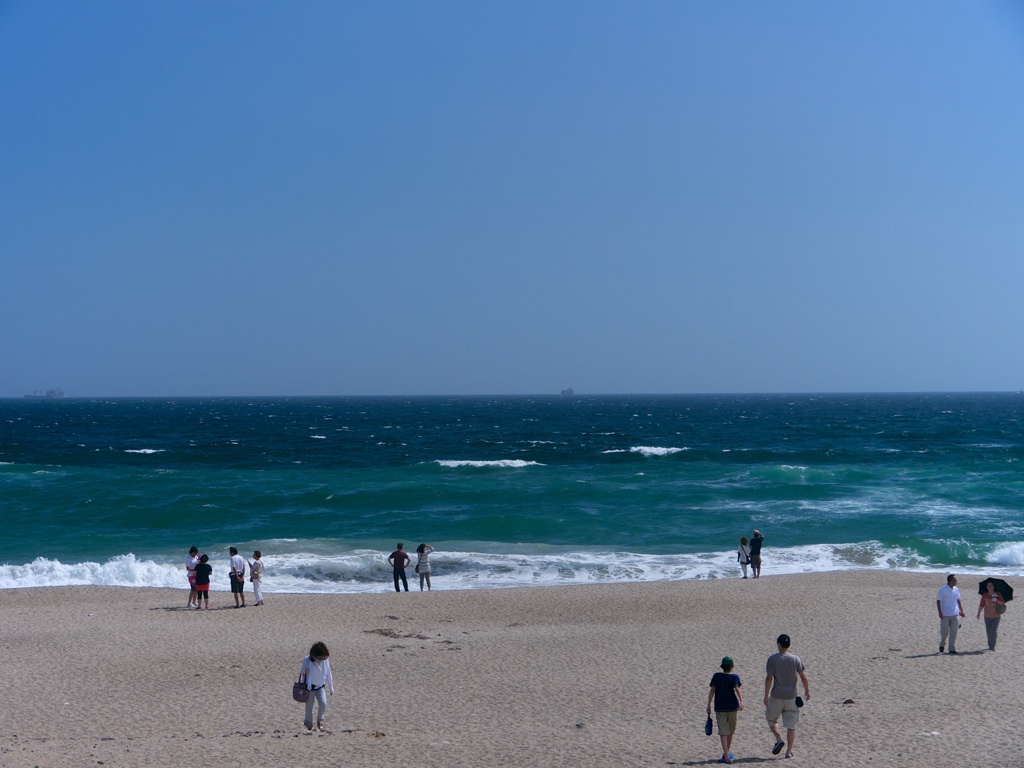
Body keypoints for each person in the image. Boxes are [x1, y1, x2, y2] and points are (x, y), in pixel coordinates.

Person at [764, 633, 810, 759]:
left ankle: (778, 738)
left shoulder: (772, 659)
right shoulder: (795, 659)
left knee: (771, 719)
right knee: (791, 726)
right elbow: (803, 677)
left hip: (777, 695)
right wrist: (807, 691)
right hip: (792, 696)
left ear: (779, 644)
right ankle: (789, 752)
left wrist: (766, 695)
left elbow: (769, 678)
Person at [707, 655, 743, 764]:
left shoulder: (716, 677)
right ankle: (726, 755)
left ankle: (726, 754)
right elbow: (737, 689)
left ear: (722, 666)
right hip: (732, 707)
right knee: (730, 731)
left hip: (720, 707)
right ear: (732, 667)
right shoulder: (734, 677)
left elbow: (712, 690)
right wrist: (742, 701)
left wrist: (708, 704)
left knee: (723, 732)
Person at [299, 641, 334, 731]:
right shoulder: (307, 660)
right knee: (309, 707)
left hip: (320, 687)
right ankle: (308, 724)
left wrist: (331, 687)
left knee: (323, 703)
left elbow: (328, 673)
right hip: (309, 688)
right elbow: (301, 672)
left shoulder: (325, 660)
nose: (321, 660)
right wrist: (304, 672)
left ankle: (320, 720)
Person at [937, 573, 965, 654]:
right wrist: (940, 612)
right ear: (950, 581)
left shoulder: (956, 589)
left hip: (955, 614)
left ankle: (951, 649)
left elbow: (958, 600)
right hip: (945, 614)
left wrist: (961, 611)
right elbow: (938, 601)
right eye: (954, 580)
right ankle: (942, 643)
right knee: (944, 633)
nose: (956, 582)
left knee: (954, 632)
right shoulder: (943, 590)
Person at [977, 579, 1005, 651]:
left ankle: (992, 647)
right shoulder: (985, 595)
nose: (989, 587)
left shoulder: (998, 594)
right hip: (987, 616)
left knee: (994, 632)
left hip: (996, 616)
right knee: (989, 632)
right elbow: (981, 605)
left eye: (991, 586)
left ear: (993, 587)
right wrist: (978, 613)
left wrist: (997, 600)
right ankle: (990, 646)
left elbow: (1003, 603)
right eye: (988, 586)